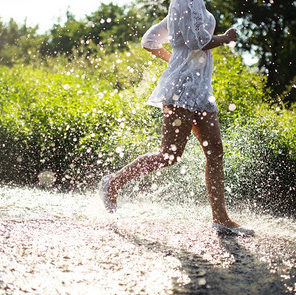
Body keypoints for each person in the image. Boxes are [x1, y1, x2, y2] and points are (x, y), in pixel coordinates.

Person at [99, 0, 254, 236]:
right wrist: (224, 38)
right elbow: (195, 43)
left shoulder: (195, 5)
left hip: (201, 89)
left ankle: (220, 218)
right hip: (180, 90)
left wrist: (176, 60)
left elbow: (150, 39)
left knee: (215, 150)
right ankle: (114, 182)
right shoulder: (183, 2)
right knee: (169, 155)